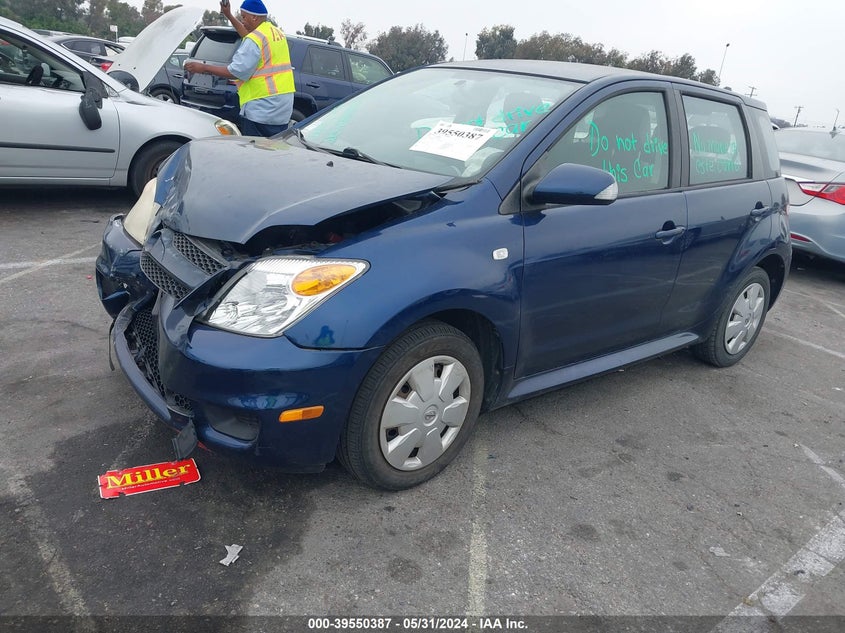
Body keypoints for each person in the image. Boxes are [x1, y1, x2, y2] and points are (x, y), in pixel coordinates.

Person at [184, 0, 294, 137]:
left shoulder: (255, 39)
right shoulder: (275, 33)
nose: (243, 21)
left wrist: (203, 67)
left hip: (262, 108)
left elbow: (235, 71)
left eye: (244, 17)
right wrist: (228, 15)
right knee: (273, 151)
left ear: (254, 17)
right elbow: (249, 36)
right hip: (281, 109)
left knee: (256, 153)